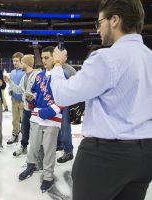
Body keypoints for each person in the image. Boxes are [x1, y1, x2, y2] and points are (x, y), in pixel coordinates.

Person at [50, 0, 152, 199]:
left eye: (99, 22)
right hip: (145, 155)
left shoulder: (105, 58)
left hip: (105, 156)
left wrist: (56, 64)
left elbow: (62, 94)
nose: (98, 30)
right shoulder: (149, 57)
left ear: (115, 20)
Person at [18, 46, 62, 193]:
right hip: (37, 117)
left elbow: (64, 98)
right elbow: (36, 95)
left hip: (52, 118)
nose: (43, 60)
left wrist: (47, 112)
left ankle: (48, 176)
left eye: (46, 57)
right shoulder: (39, 76)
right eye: (42, 58)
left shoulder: (60, 75)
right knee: (34, 145)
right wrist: (30, 99)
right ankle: (31, 166)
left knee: (49, 149)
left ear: (54, 58)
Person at [4, 54, 39, 156]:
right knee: (24, 129)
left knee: (35, 132)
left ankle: (35, 152)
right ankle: (23, 147)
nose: (20, 65)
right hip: (27, 108)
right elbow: (19, 90)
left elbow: (39, 92)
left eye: (22, 62)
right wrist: (9, 81)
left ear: (26, 63)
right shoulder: (24, 76)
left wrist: (32, 97)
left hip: (35, 110)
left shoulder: (37, 75)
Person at [56, 51, 76, 163]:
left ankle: (68, 151)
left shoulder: (70, 70)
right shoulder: (55, 68)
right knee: (57, 125)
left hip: (66, 103)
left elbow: (75, 87)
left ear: (66, 57)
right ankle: (59, 144)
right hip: (55, 102)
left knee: (65, 127)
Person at [7, 52, 24, 145]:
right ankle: (15, 134)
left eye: (16, 61)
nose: (14, 63)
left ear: (21, 61)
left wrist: (24, 100)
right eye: (13, 61)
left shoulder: (25, 72)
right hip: (14, 99)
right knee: (15, 119)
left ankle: (25, 136)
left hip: (23, 101)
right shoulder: (12, 72)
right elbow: (11, 84)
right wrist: (10, 90)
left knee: (24, 120)